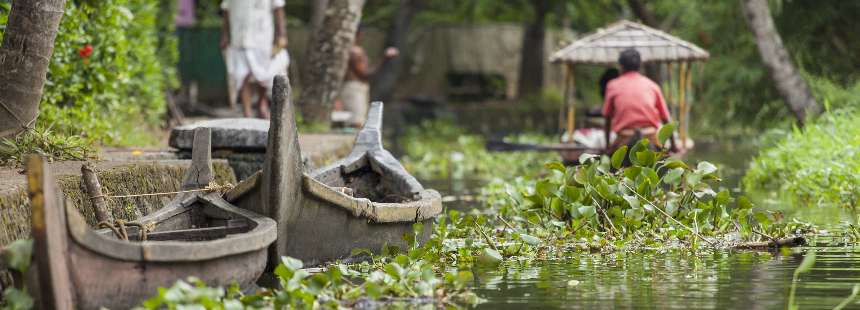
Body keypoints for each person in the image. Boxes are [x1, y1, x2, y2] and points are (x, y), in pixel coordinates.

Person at [220, 0, 289, 119]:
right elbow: (226, 10)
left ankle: (261, 103)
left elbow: (278, 9)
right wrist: (225, 35)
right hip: (239, 38)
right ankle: (247, 111)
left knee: (264, 75)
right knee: (242, 75)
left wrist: (281, 35)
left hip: (262, 38)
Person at [602, 49, 676, 155]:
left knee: (612, 168)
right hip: (650, 137)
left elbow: (607, 118)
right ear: (639, 66)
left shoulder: (612, 85)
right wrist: (674, 146)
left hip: (624, 139)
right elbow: (665, 118)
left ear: (621, 66)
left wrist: (608, 146)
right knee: (662, 166)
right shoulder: (652, 85)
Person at [342, 28, 398, 127]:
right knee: (356, 123)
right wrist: (384, 59)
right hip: (354, 88)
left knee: (360, 122)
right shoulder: (354, 52)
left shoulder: (354, 50)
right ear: (358, 34)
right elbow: (365, 74)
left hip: (357, 87)